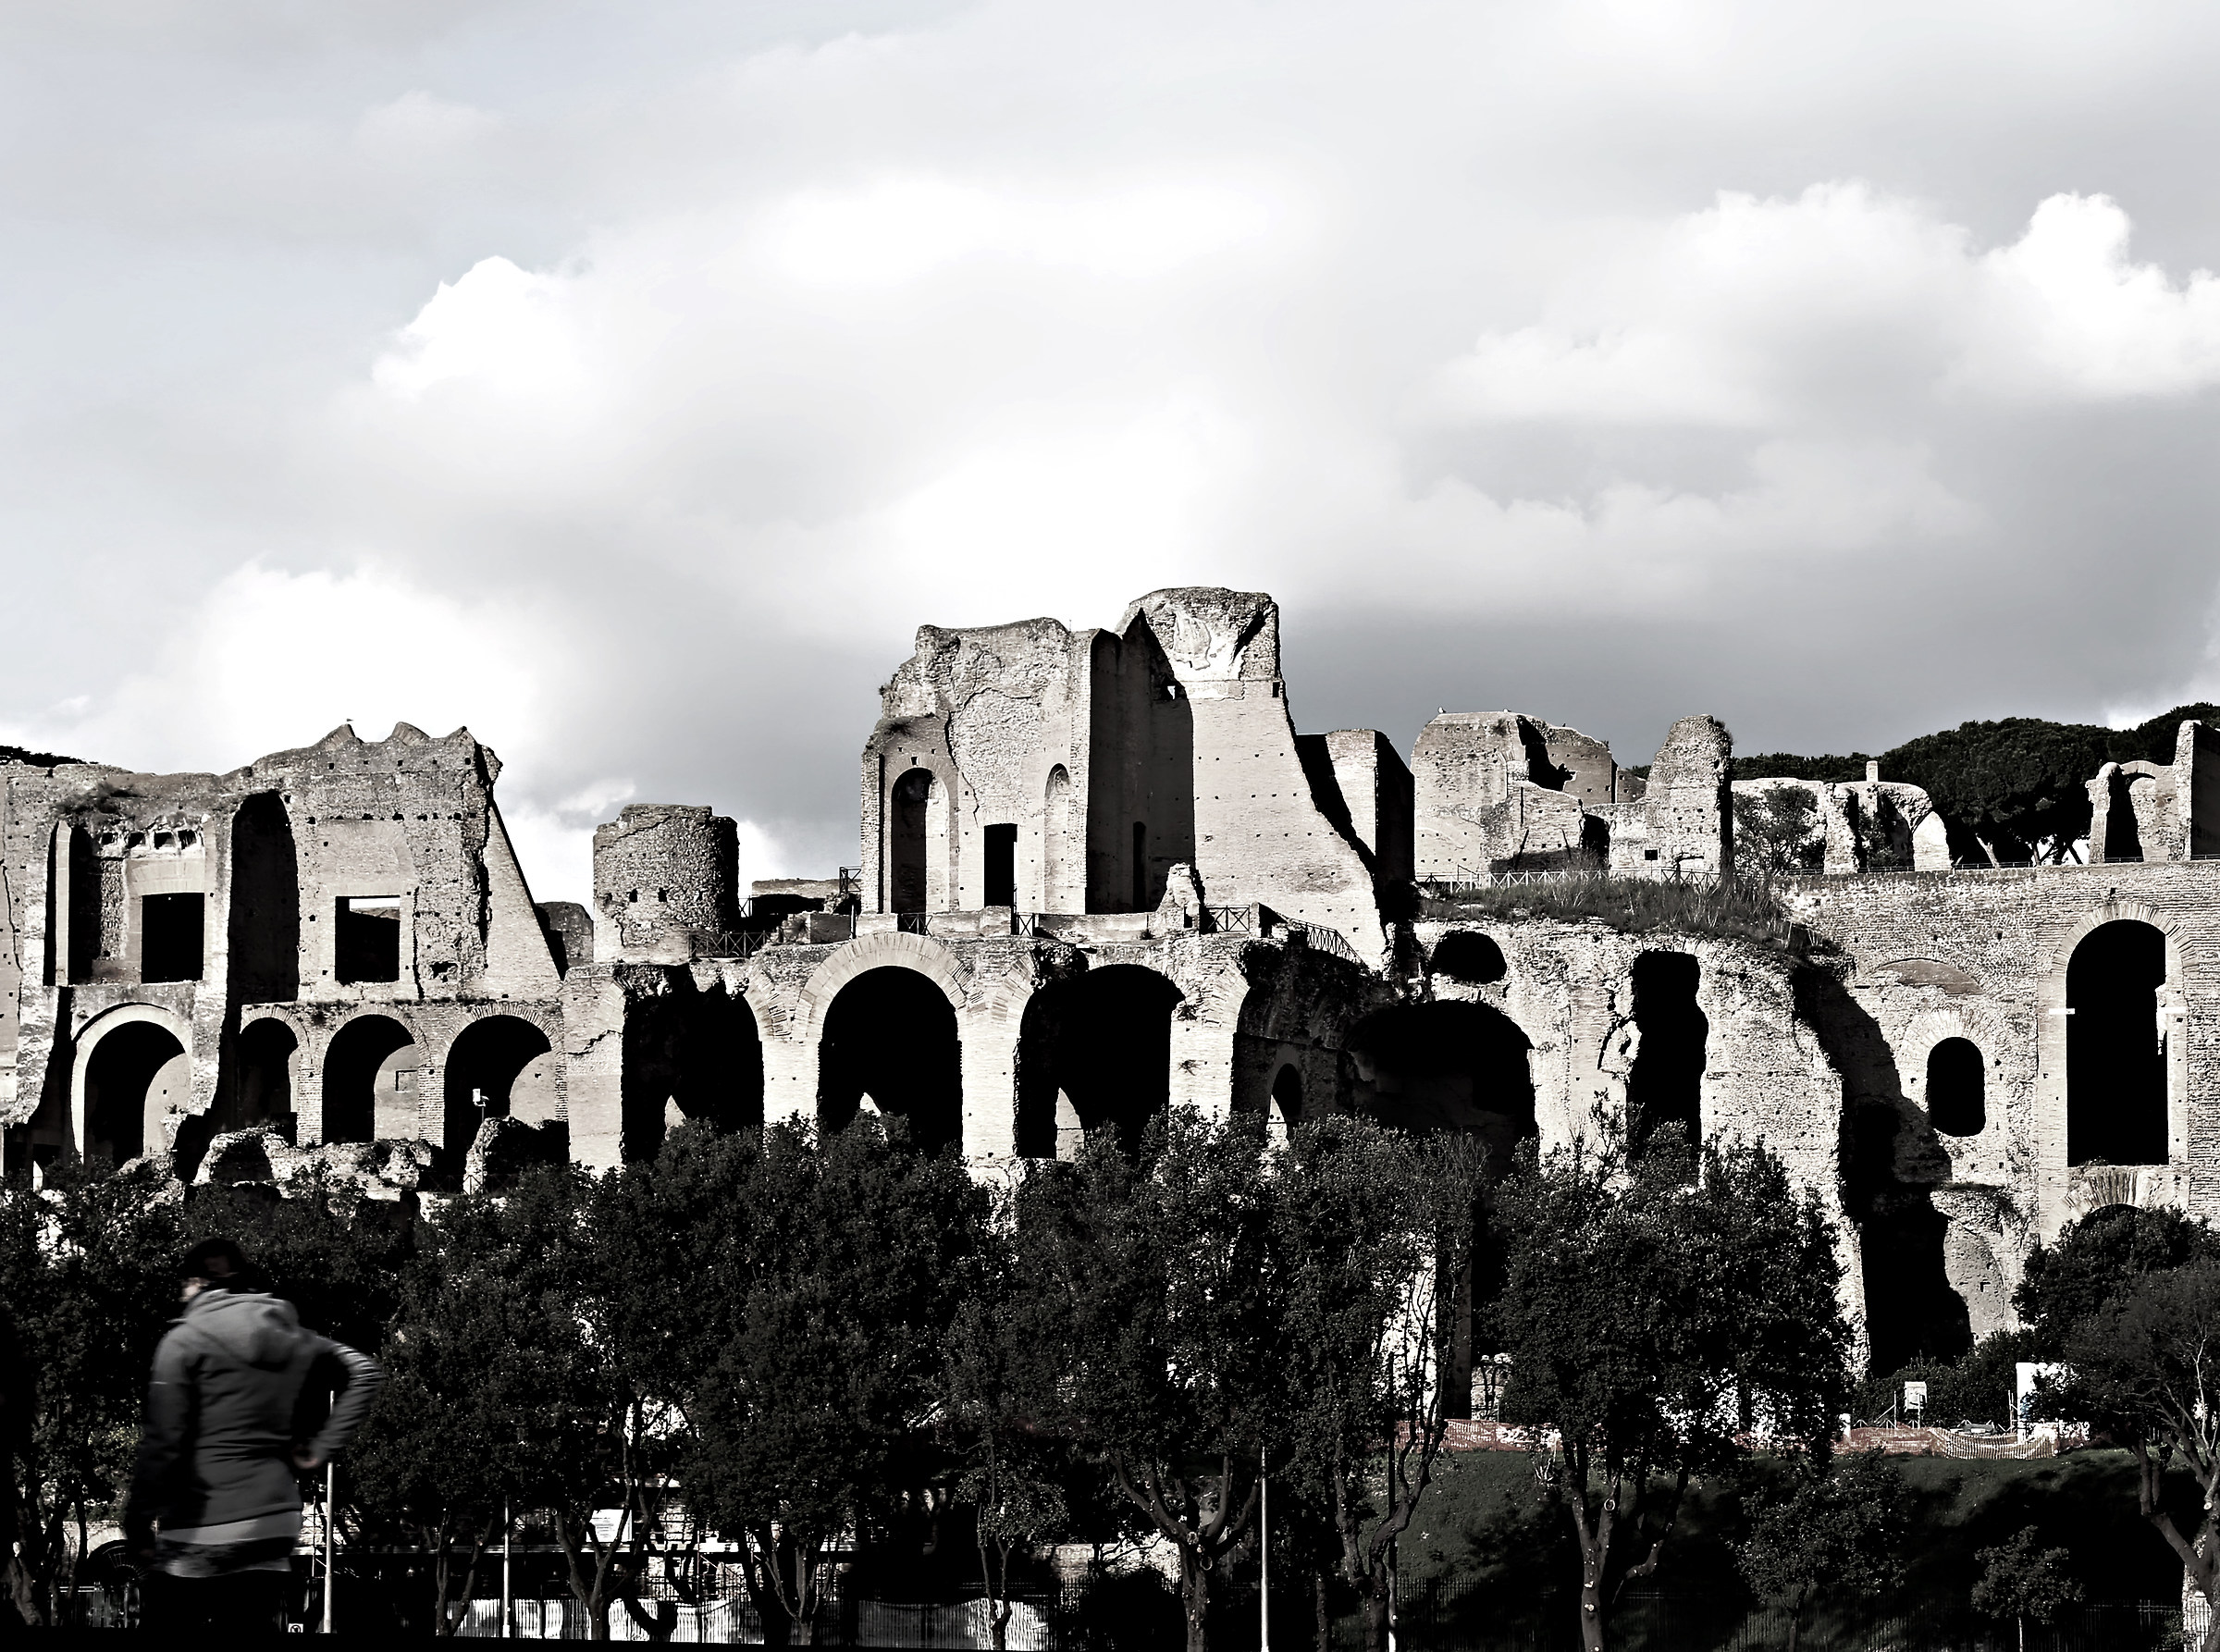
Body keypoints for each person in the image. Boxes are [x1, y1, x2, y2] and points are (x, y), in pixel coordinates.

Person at [122, 1237, 383, 1634]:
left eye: (184, 1286)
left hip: (201, 1521)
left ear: (196, 1283)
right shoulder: (291, 1334)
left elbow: (163, 1440)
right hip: (273, 1523)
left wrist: (138, 1518)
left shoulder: (184, 1341)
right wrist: (319, 1452)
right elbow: (363, 1371)